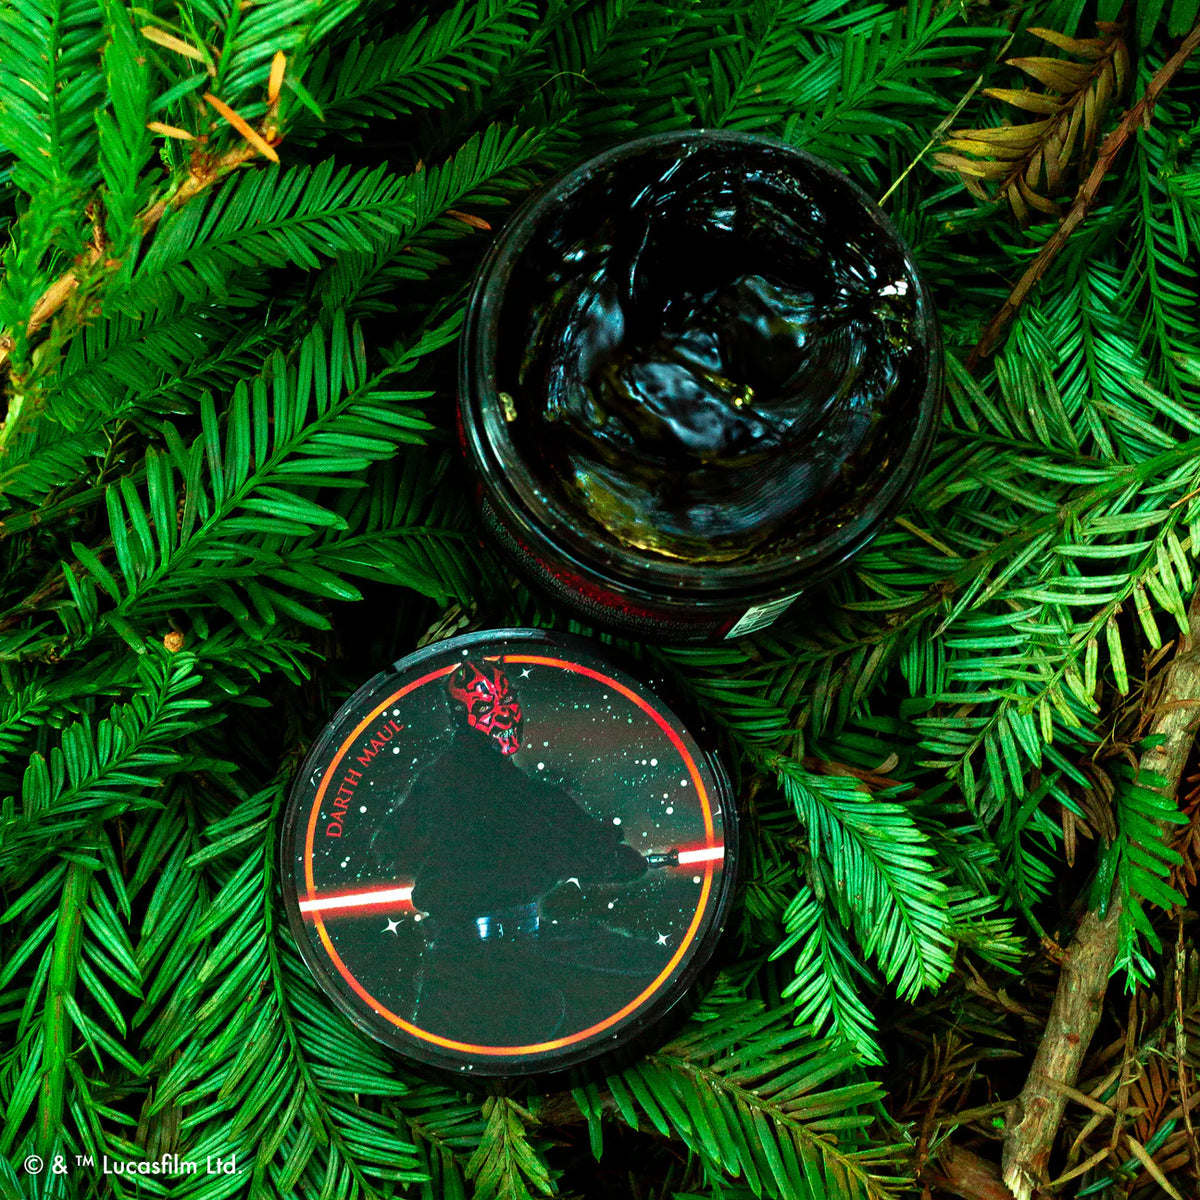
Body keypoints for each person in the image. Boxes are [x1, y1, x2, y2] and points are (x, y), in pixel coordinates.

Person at [370, 659, 648, 1045]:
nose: (502, 716)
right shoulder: (521, 796)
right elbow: (591, 853)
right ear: (461, 716)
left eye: (508, 701)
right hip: (476, 970)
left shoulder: (442, 780)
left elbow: (388, 844)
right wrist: (609, 855)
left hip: (481, 953)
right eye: (485, 708)